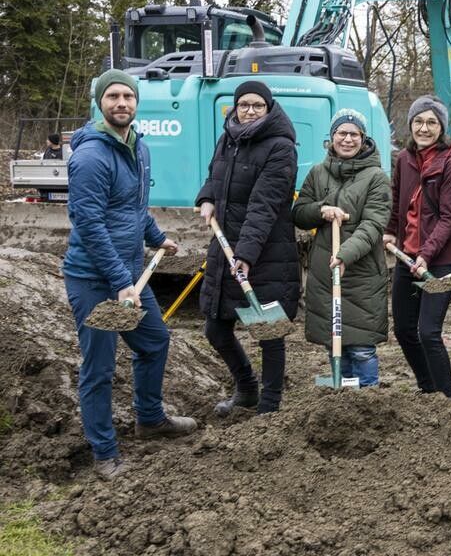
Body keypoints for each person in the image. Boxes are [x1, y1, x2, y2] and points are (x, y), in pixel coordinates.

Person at [63, 69, 196, 480]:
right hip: (95, 280)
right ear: (99, 103)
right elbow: (90, 224)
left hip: (129, 275)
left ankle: (150, 420)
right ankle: (104, 453)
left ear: (137, 103)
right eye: (113, 97)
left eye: (128, 97)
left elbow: (134, 207)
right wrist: (121, 281)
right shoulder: (90, 157)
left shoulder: (139, 147)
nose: (122, 103)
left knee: (154, 341)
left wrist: (157, 237)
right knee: (99, 367)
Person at [196, 80, 299, 416]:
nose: (250, 110)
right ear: (235, 108)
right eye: (244, 104)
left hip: (266, 251)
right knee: (215, 327)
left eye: (257, 105)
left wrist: (247, 254)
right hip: (224, 244)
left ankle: (269, 407)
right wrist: (207, 197)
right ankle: (246, 389)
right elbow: (215, 174)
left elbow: (265, 204)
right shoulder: (229, 137)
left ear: (268, 108)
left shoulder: (281, 147)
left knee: (268, 331)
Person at [292, 109, 390, 387]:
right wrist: (321, 210)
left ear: (363, 138)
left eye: (354, 134)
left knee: (361, 347)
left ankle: (368, 400)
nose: (347, 139)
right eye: (341, 133)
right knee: (335, 344)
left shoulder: (376, 177)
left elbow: (373, 225)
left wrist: (346, 254)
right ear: (332, 137)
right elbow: (298, 214)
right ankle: (343, 404)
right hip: (325, 272)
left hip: (361, 274)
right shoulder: (318, 173)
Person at [385, 95, 451, 399]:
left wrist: (425, 255)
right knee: (404, 330)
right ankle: (427, 388)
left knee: (428, 332)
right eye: (418, 121)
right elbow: (398, 198)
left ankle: (447, 400)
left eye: (432, 122)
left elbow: (449, 219)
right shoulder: (404, 159)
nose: (424, 128)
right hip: (407, 256)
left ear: (442, 127)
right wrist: (391, 231)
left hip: (441, 260)